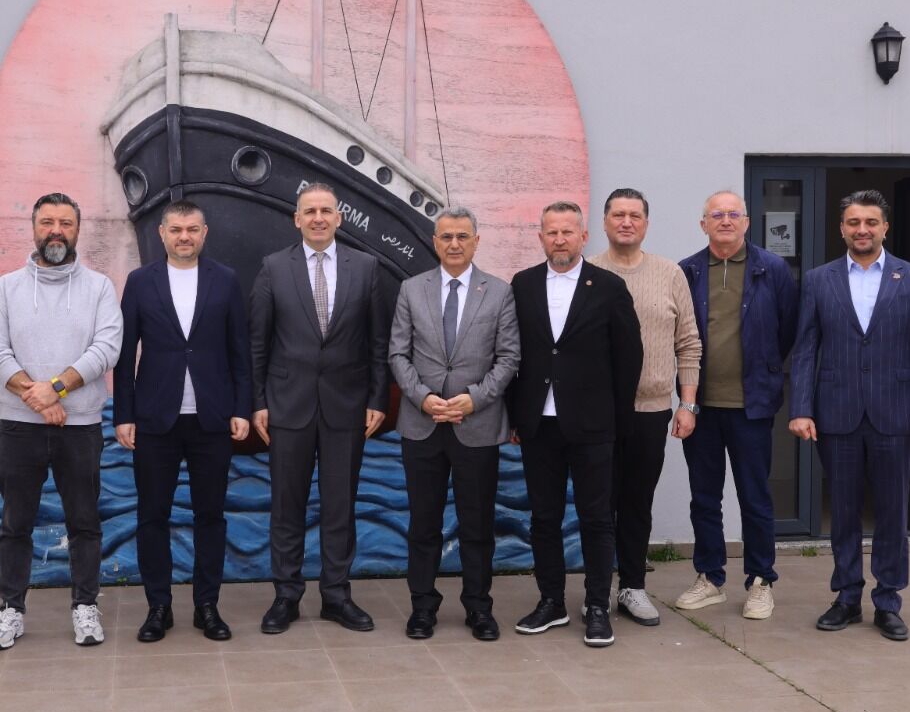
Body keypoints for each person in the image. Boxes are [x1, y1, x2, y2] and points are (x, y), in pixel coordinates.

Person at [789, 189, 910, 641]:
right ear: (842, 228)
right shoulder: (818, 280)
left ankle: (888, 601)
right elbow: (805, 350)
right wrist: (801, 407)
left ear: (884, 227)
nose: (862, 230)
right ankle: (846, 597)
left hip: (895, 414)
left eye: (871, 222)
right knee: (843, 512)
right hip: (836, 413)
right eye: (854, 222)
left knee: (893, 513)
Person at [0, 192, 122, 650]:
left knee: (84, 522)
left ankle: (85, 606)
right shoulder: (8, 288)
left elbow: (107, 349)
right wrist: (41, 400)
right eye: (47, 222)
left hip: (80, 428)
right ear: (34, 227)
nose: (56, 231)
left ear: (78, 230)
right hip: (19, 428)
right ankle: (11, 609)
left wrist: (55, 388)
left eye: (65, 223)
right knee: (15, 523)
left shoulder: (99, 288)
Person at [250, 182, 391, 634]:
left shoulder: (366, 268)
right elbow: (258, 342)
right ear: (296, 219)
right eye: (309, 211)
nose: (317, 218)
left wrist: (377, 399)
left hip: (347, 408)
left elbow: (378, 342)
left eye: (326, 211)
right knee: (286, 506)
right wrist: (258, 402)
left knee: (340, 506)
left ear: (338, 218)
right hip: (287, 407)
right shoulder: (274, 267)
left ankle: (336, 596)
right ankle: (286, 596)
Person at [113, 200, 251, 643]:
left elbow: (240, 352)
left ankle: (207, 606)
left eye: (192, 229)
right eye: (176, 229)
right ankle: (159, 607)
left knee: (211, 516)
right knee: (152, 516)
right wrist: (124, 414)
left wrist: (242, 408)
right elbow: (124, 355)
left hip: (212, 419)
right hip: (155, 420)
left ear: (204, 233)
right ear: (162, 233)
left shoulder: (226, 280)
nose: (184, 237)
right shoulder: (140, 282)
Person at [508, 201, 643, 648]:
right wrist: (515, 415)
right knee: (544, 518)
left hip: (593, 426)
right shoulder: (523, 284)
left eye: (568, 231)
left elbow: (629, 358)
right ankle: (551, 601)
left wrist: (617, 422)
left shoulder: (609, 287)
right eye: (552, 232)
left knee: (597, 519)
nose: (560, 239)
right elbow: (511, 353)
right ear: (541, 237)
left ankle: (597, 606)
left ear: (583, 236)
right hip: (538, 425)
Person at [388, 205, 520, 641]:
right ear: (435, 241)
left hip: (476, 425)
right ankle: (422, 607)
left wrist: (474, 399)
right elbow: (398, 354)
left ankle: (478, 608)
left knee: (477, 525)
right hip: (422, 425)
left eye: (463, 236)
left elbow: (509, 358)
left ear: (476, 241)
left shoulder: (499, 292)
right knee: (423, 524)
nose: (455, 244)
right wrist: (423, 398)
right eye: (446, 236)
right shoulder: (412, 289)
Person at [676, 191, 797, 619]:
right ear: (703, 223)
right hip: (701, 407)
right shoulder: (687, 271)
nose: (725, 220)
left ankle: (761, 581)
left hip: (752, 407)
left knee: (755, 497)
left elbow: (787, 331)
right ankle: (710, 577)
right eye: (717, 214)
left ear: (746, 222)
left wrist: (765, 371)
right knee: (704, 497)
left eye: (733, 214)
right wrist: (687, 401)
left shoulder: (772, 269)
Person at [588, 188, 702, 627]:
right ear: (605, 222)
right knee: (599, 504)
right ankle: (597, 590)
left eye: (635, 215)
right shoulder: (588, 273)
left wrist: (687, 404)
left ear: (646, 224)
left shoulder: (670, 274)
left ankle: (632, 586)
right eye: (618, 214)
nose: (626, 222)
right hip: (597, 412)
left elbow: (688, 343)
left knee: (637, 502)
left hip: (651, 410)